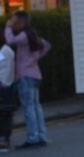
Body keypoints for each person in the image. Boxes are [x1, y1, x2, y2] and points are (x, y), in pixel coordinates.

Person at [5, 10, 52, 148]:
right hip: (35, 73)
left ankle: (32, 137)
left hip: (25, 74)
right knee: (36, 106)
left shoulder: (24, 35)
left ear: (21, 23)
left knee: (28, 106)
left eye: (14, 22)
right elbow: (46, 45)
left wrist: (7, 28)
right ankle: (41, 135)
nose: (12, 24)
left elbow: (10, 40)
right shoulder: (33, 35)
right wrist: (34, 59)